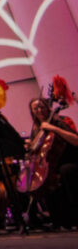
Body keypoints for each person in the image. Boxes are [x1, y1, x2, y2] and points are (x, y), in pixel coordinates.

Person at [27, 97, 78, 228]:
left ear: (47, 107)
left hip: (69, 160)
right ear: (32, 112)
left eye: (42, 106)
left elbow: (76, 140)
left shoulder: (58, 121)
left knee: (66, 171)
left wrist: (54, 129)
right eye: (36, 108)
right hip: (51, 165)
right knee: (36, 179)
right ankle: (57, 219)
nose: (40, 110)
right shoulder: (36, 130)